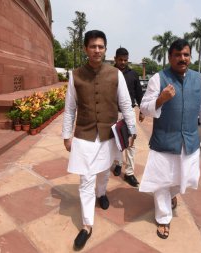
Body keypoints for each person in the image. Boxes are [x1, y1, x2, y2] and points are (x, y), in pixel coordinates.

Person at [62, 30, 136, 251]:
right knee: (86, 178)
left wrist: (131, 131)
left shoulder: (116, 74)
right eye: (93, 46)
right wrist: (67, 135)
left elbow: (125, 104)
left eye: (101, 47)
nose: (97, 50)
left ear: (105, 49)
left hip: (108, 134)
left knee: (104, 171)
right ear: (86, 49)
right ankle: (87, 225)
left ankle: (102, 193)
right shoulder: (75, 75)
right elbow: (69, 109)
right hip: (84, 134)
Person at [139, 39, 201, 239]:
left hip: (189, 141)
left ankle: (172, 195)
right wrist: (160, 99)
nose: (182, 59)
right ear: (170, 57)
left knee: (184, 178)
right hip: (164, 141)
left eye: (186, 55)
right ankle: (163, 218)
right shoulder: (159, 78)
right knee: (162, 181)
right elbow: (144, 108)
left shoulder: (200, 80)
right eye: (178, 55)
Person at [112, 47, 144, 187]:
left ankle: (129, 173)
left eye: (125, 60)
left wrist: (142, 110)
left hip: (129, 112)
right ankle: (118, 163)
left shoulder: (133, 74)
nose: (123, 62)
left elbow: (138, 93)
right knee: (117, 142)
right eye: (120, 60)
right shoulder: (110, 73)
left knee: (131, 143)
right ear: (115, 59)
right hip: (113, 112)